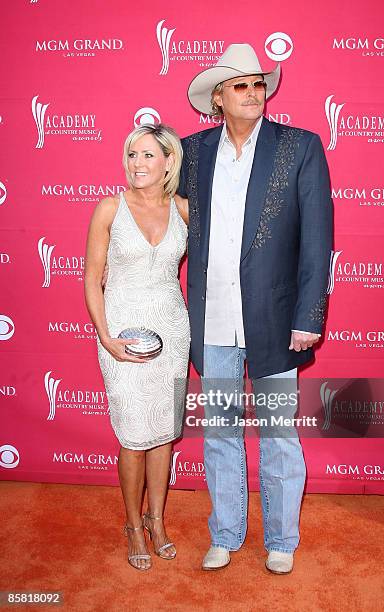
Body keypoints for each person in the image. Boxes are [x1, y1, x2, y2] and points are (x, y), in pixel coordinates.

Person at [178, 43, 333, 573]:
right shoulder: (192, 152)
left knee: (278, 434)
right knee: (220, 431)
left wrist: (309, 316)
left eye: (258, 83)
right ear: (218, 97)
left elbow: (317, 238)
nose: (252, 92)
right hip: (213, 318)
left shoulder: (300, 146)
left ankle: (282, 540)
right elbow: (152, 194)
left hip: (274, 318)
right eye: (239, 84)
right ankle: (225, 531)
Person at [84, 124, 190, 571]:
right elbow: (91, 277)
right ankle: (132, 525)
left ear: (168, 161)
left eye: (148, 155)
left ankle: (157, 520)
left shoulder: (184, 209)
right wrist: (107, 337)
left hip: (172, 330)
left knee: (164, 433)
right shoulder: (110, 207)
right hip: (123, 335)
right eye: (132, 154)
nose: (138, 163)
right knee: (133, 436)